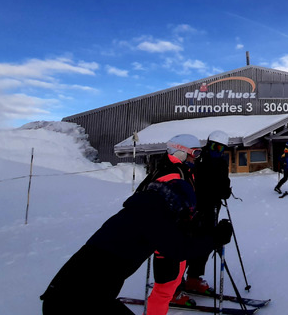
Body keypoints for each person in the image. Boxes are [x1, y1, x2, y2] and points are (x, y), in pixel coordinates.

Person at [40, 176, 234, 315]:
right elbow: (178, 249)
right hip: (74, 302)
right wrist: (216, 238)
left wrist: (205, 233)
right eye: (186, 214)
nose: (184, 219)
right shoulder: (152, 215)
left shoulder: (147, 208)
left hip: (79, 296)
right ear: (178, 205)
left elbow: (175, 241)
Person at [142, 134, 206, 314]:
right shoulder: (171, 174)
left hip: (178, 237)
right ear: (180, 152)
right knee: (163, 290)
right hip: (169, 239)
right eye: (195, 152)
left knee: (172, 283)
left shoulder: (180, 169)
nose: (196, 157)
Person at [180, 130, 232, 296]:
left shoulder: (223, 163)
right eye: (214, 146)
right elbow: (192, 182)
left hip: (213, 209)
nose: (217, 151)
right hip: (195, 209)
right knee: (190, 243)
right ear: (208, 144)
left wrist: (225, 192)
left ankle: (194, 278)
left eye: (221, 148)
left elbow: (224, 183)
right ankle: (175, 282)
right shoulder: (198, 160)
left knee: (207, 242)